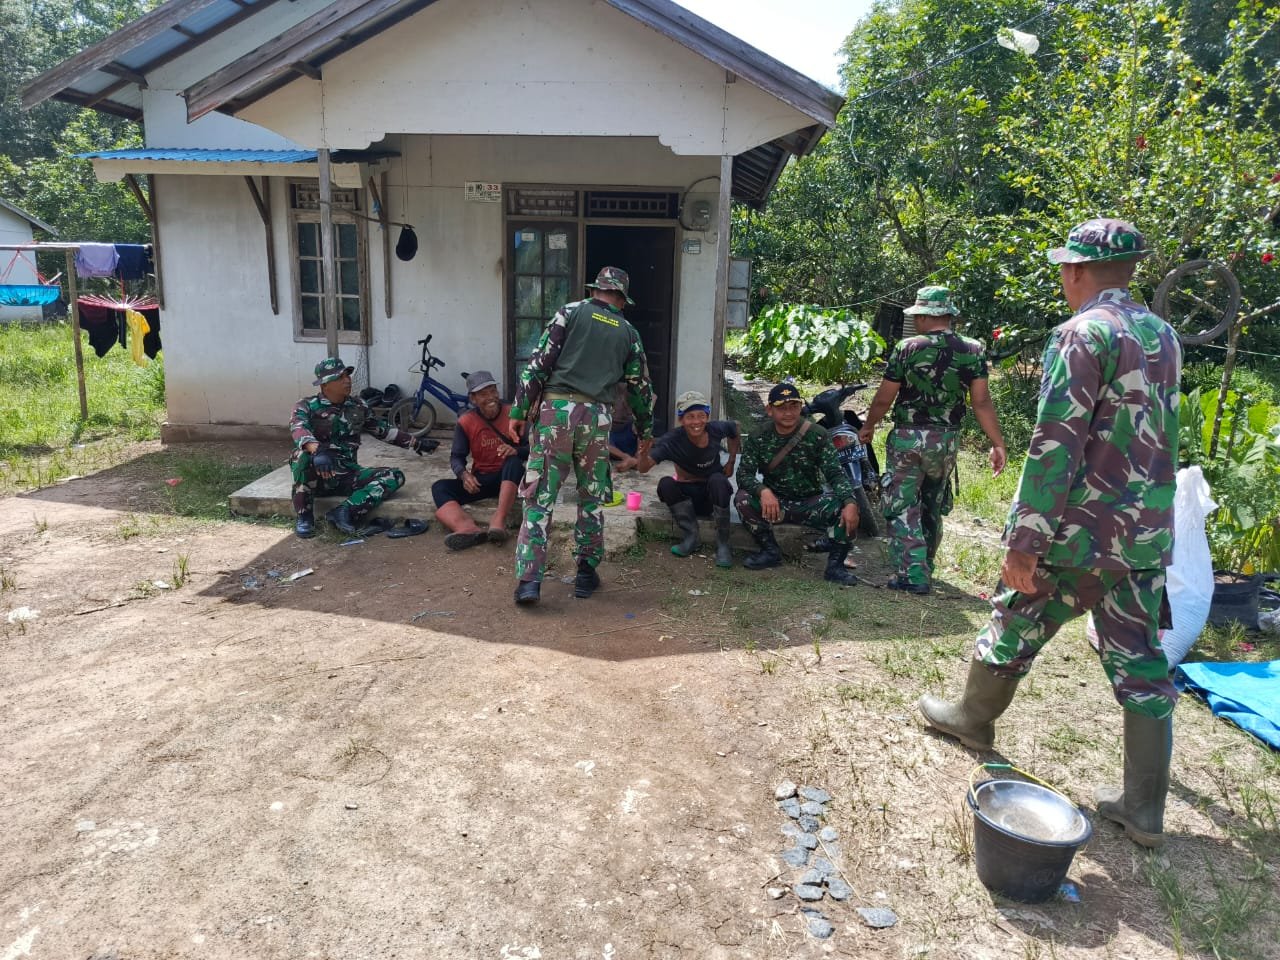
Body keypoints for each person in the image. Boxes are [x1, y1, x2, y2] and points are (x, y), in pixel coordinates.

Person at [918, 219, 1182, 848]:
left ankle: (972, 719)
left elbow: (1055, 443)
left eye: (1065, 269)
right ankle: (1144, 810)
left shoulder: (1081, 333)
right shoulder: (1163, 334)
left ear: (1076, 270)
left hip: (1081, 530)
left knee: (1017, 612)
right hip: (1144, 531)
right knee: (1141, 658)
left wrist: (1024, 540)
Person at [509, 266, 654, 605]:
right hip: (597, 418)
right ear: (622, 299)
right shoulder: (629, 332)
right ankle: (586, 574)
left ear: (594, 291)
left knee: (540, 496)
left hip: (556, 414)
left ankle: (529, 581)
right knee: (591, 496)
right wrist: (645, 430)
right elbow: (639, 388)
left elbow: (539, 364)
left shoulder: (570, 312)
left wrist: (518, 410)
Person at [859, 285, 1006, 594]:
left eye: (917, 316)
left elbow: (885, 397)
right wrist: (997, 443)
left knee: (901, 503)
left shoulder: (907, 348)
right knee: (932, 503)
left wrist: (869, 426)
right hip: (946, 440)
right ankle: (924, 563)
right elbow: (981, 402)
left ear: (925, 316)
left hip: (908, 438)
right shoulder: (973, 349)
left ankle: (913, 575)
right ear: (949, 315)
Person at [290, 357, 436, 537]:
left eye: (347, 375)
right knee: (300, 456)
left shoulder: (358, 406)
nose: (347, 380)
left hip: (347, 474)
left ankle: (344, 512)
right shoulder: (306, 406)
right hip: (317, 476)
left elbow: (382, 429)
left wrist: (416, 443)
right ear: (324, 384)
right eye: (340, 377)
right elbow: (298, 429)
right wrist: (317, 451)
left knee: (394, 476)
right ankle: (304, 516)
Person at [734, 383, 860, 585]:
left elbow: (835, 473)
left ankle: (835, 566)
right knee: (743, 499)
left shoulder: (817, 434)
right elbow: (744, 474)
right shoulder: (759, 437)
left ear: (800, 407)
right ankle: (770, 551)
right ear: (770, 410)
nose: (788, 413)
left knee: (846, 505)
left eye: (794, 406)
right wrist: (763, 491)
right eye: (782, 408)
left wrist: (850, 502)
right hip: (776, 504)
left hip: (811, 502)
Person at [636, 389, 740, 568]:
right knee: (666, 483)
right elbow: (643, 469)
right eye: (690, 416)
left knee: (718, 480)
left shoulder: (716, 429)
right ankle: (691, 535)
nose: (696, 422)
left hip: (712, 496)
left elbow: (734, 429)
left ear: (707, 417)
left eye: (701, 416)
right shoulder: (672, 441)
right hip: (687, 499)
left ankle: (723, 543)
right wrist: (643, 454)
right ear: (681, 419)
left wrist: (731, 461)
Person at [431, 370, 527, 550]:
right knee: (439, 488)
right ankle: (467, 529)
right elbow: (456, 456)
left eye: (493, 391)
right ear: (473, 399)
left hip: (510, 478)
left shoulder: (513, 413)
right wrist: (464, 475)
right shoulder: (466, 421)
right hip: (483, 479)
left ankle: (498, 521)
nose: (491, 397)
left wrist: (516, 450)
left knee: (513, 462)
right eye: (483, 394)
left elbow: (533, 450)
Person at [607, 382, 640, 472]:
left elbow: (653, 397)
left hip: (628, 432)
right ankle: (628, 458)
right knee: (600, 438)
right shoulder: (608, 394)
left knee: (641, 427)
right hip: (612, 437)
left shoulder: (631, 394)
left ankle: (637, 459)